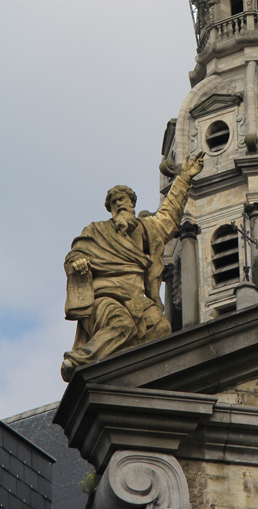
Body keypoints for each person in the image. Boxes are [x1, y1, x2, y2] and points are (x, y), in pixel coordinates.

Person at [61, 152, 205, 381]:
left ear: (132, 204)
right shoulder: (96, 230)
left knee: (160, 329)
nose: (119, 204)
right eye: (114, 202)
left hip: (137, 297)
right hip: (105, 297)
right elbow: (75, 254)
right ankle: (77, 361)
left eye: (123, 200)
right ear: (110, 209)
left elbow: (170, 213)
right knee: (122, 325)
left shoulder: (147, 229)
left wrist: (185, 177)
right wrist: (78, 263)